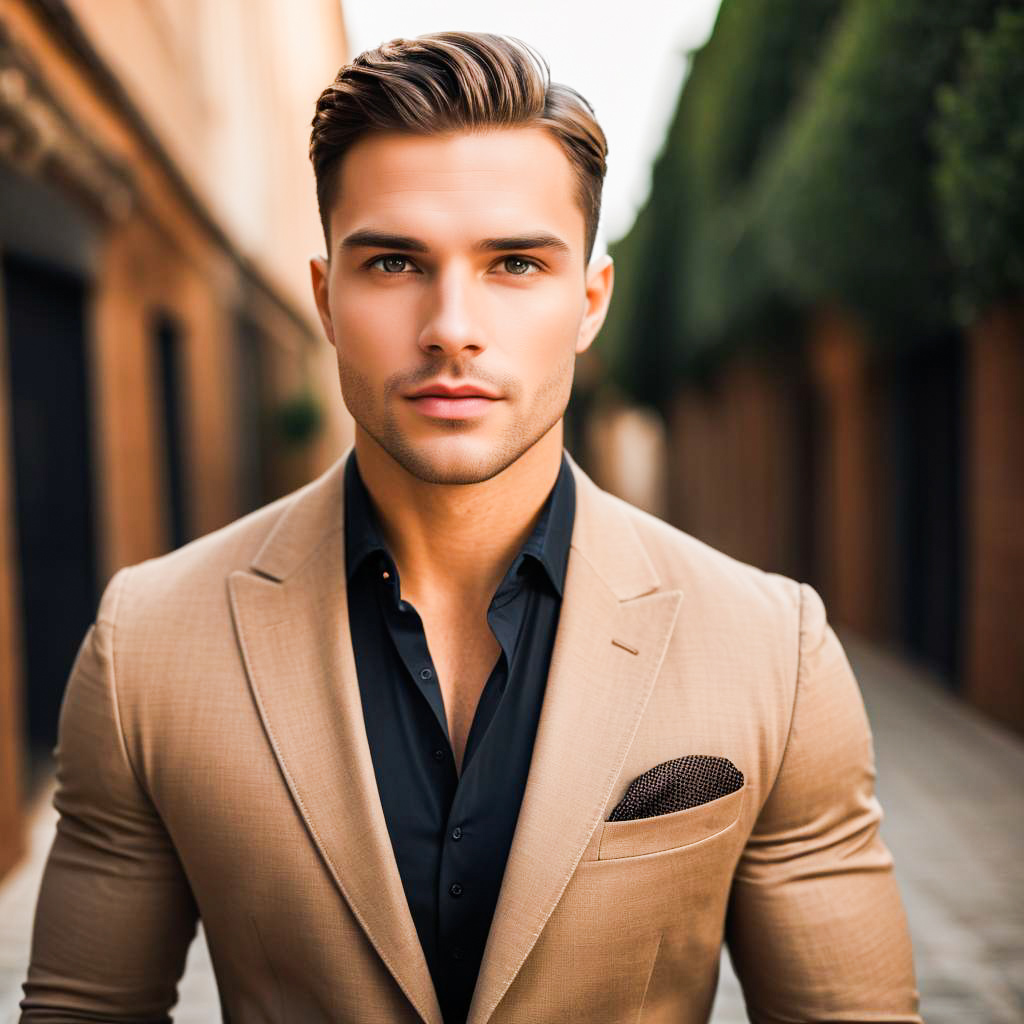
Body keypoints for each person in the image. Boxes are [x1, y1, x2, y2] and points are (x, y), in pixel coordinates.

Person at [20, 30, 922, 1024]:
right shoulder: (149, 641)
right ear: (324, 298)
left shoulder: (770, 646)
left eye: (514, 264)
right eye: (396, 260)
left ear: (589, 300)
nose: (451, 323)